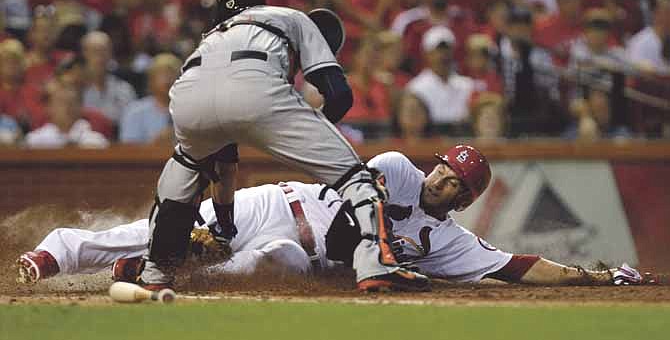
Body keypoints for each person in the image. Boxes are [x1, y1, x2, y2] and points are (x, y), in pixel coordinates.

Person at [17, 145, 648, 287]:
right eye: (443, 167)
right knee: (158, 230)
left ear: (464, 196)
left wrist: (591, 277)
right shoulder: (400, 167)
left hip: (299, 251)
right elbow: (362, 199)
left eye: (454, 179)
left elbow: (517, 265)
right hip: (277, 203)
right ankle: (56, 254)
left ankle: (148, 268)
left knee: (267, 266)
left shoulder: (449, 239)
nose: (440, 176)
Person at [139, 0, 428, 292]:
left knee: (182, 175)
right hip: (258, 87)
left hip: (187, 95)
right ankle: (375, 263)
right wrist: (310, 139)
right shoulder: (292, 17)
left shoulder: (213, 37)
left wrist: (225, 227)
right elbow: (339, 94)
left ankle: (153, 271)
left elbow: (225, 166)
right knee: (359, 179)